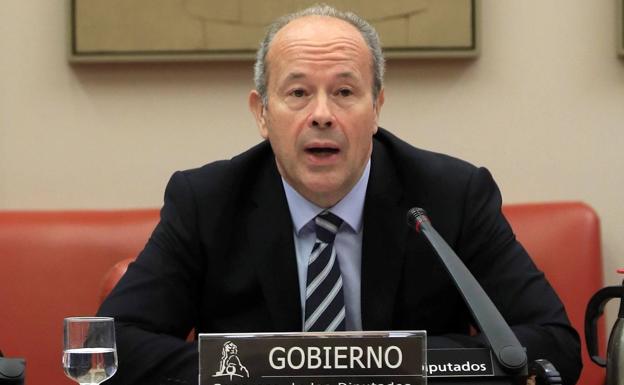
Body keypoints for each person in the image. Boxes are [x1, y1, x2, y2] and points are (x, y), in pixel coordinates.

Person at [97, 5, 582, 385]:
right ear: (262, 113)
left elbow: (550, 342)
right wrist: (257, 370)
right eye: (298, 93)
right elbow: (112, 346)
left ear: (377, 109)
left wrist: (390, 365)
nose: (323, 114)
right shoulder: (207, 200)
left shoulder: (451, 196)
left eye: (345, 92)